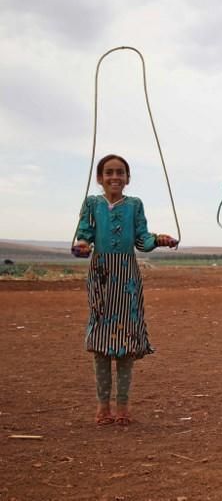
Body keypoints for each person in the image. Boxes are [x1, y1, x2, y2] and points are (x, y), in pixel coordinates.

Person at [72, 154, 177, 425]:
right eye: (109, 172)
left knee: (127, 341)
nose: (115, 177)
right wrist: (82, 245)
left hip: (127, 277)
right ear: (99, 178)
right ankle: (102, 406)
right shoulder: (92, 203)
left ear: (128, 178)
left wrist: (159, 239)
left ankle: (123, 407)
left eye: (120, 172)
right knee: (101, 341)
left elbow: (142, 239)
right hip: (101, 275)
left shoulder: (135, 205)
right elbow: (85, 234)